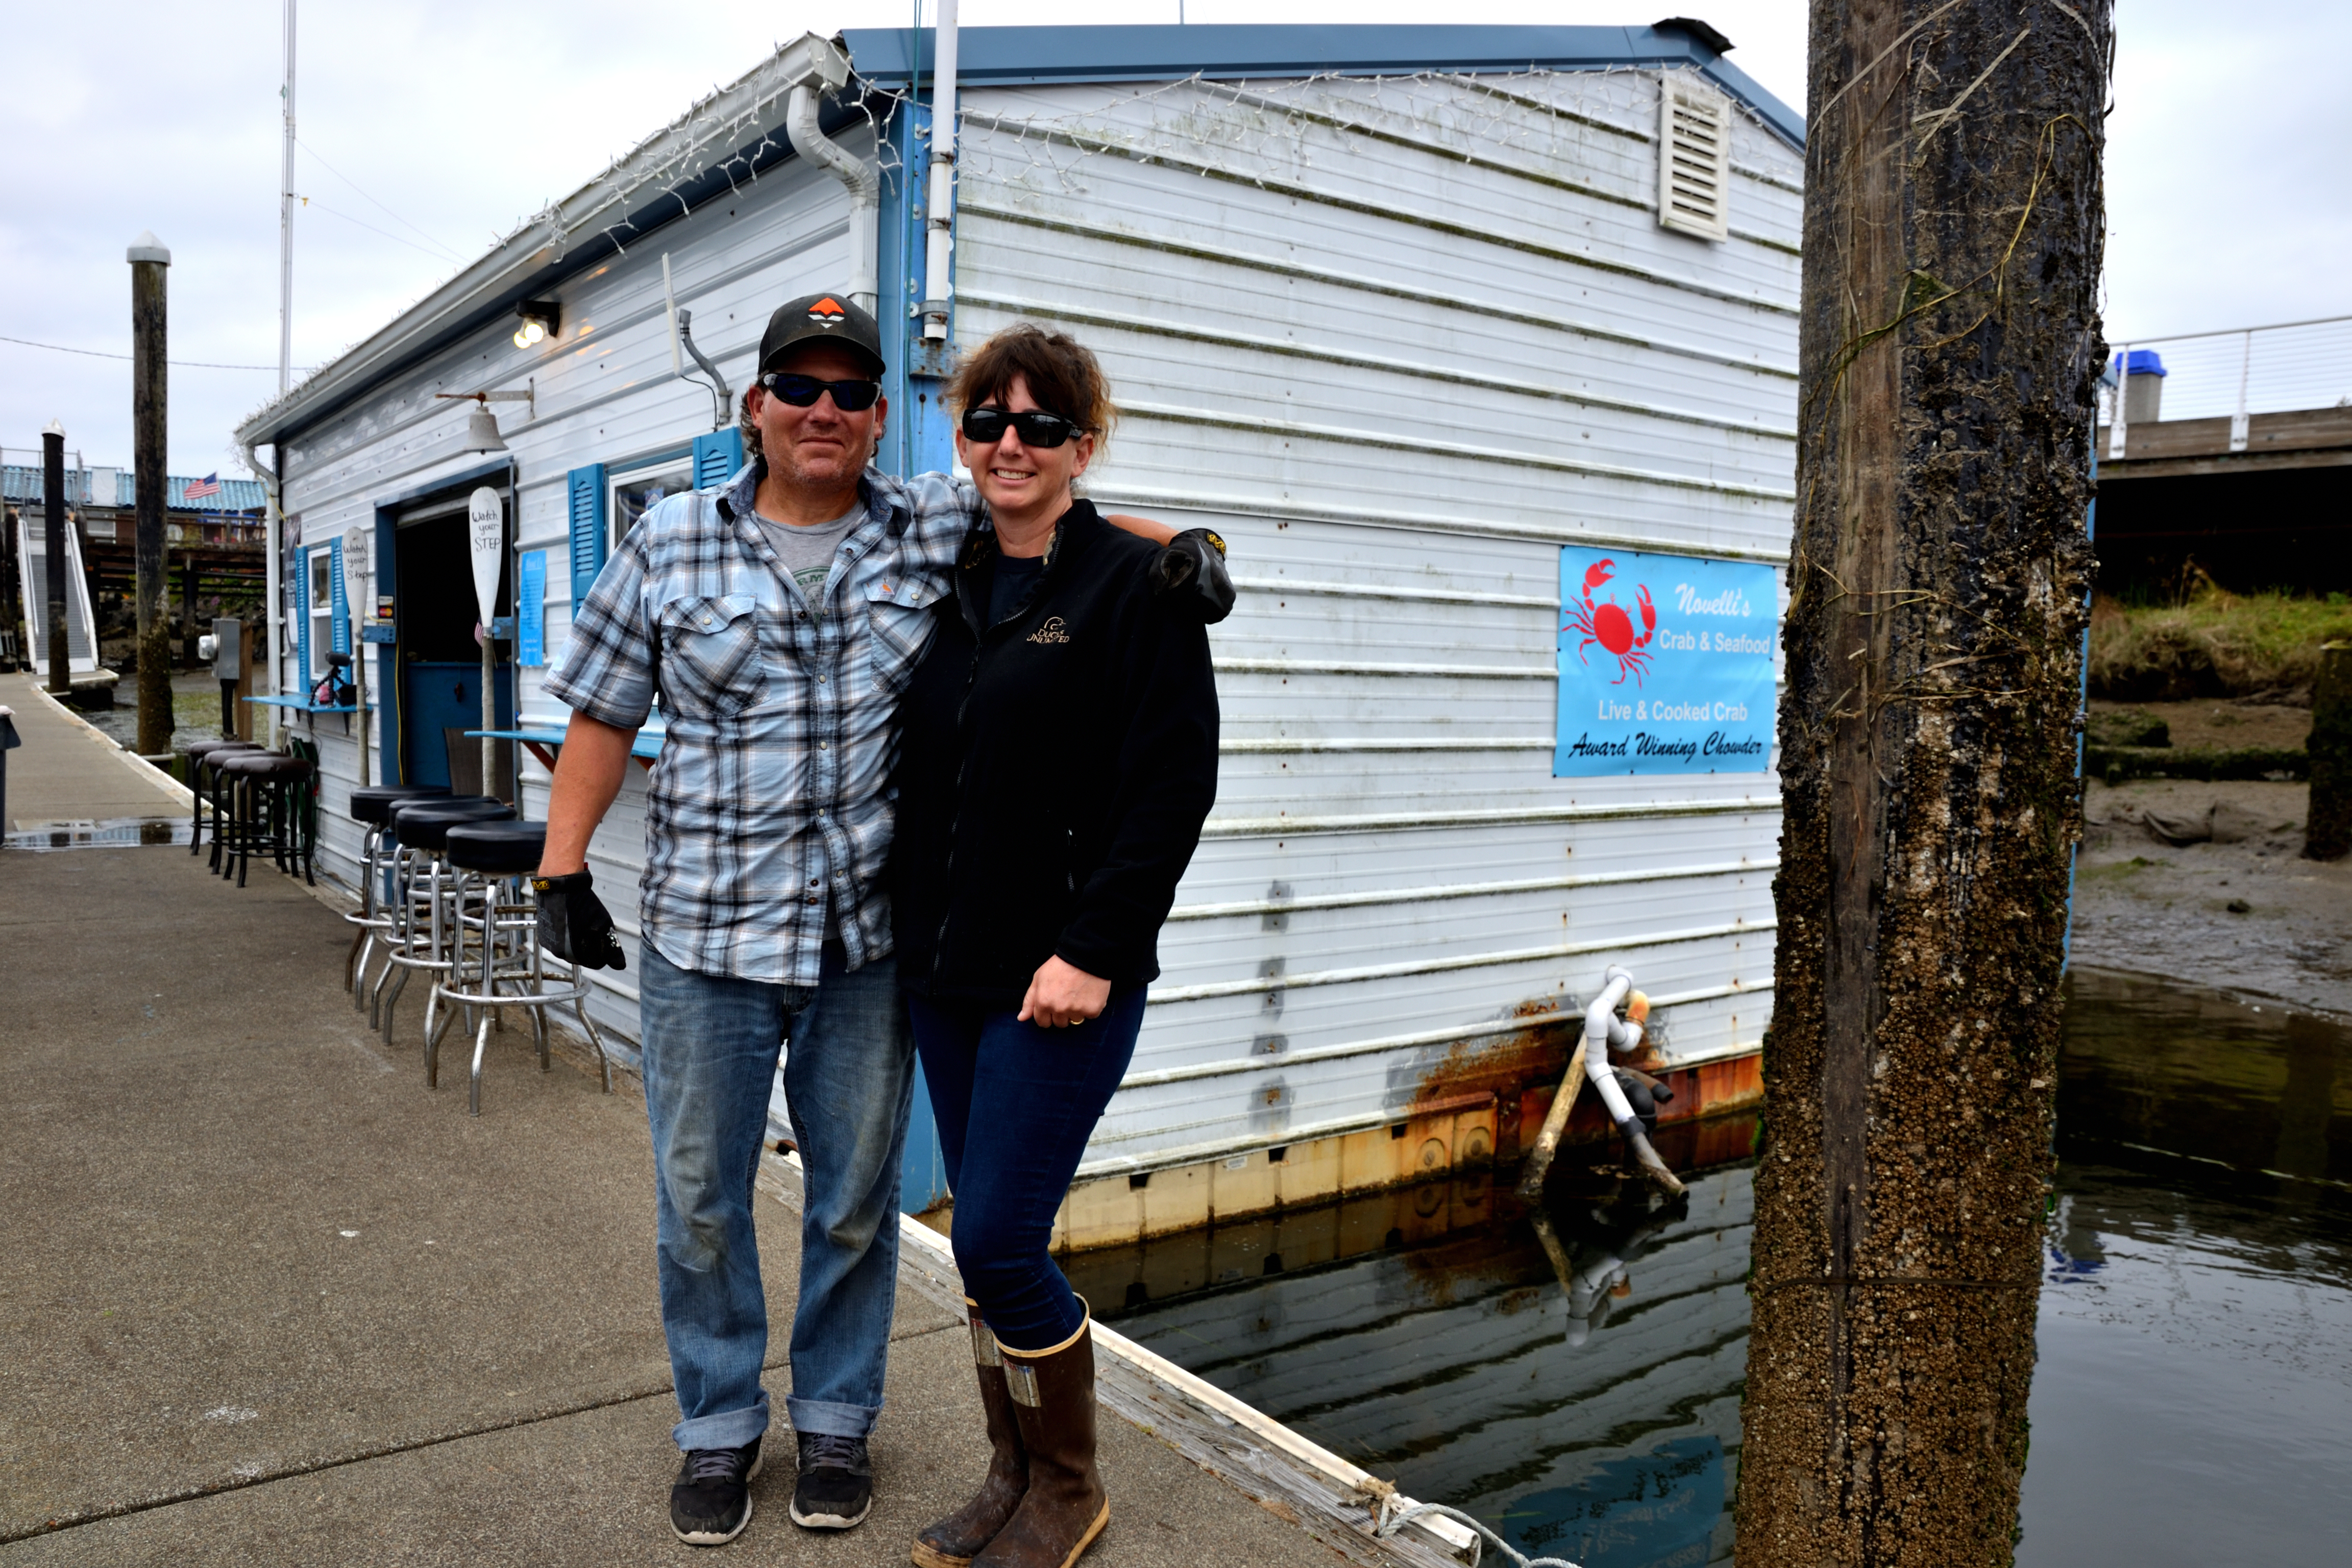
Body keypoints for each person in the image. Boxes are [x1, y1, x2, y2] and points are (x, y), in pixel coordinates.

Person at [532, 293, 1229, 1549]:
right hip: (709, 938)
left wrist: (1191, 546)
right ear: (754, 409)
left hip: (866, 948)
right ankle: (720, 1430)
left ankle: (842, 1424)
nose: (826, 411)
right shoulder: (668, 541)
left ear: (875, 419)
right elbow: (601, 715)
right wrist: (560, 868)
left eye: (852, 393)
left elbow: (1068, 521)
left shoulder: (924, 521)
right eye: (799, 388)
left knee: (856, 1202)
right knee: (699, 1199)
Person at [890, 325, 1221, 1568]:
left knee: (996, 1239)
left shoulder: (1137, 592)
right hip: (946, 971)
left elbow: (1171, 790)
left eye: (1041, 425)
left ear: (1084, 444)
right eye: (988, 421)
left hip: (1062, 980)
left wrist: (1093, 946)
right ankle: (1010, 1473)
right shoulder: (945, 574)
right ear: (962, 434)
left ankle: (1069, 1486)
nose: (1009, 444)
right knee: (982, 1245)